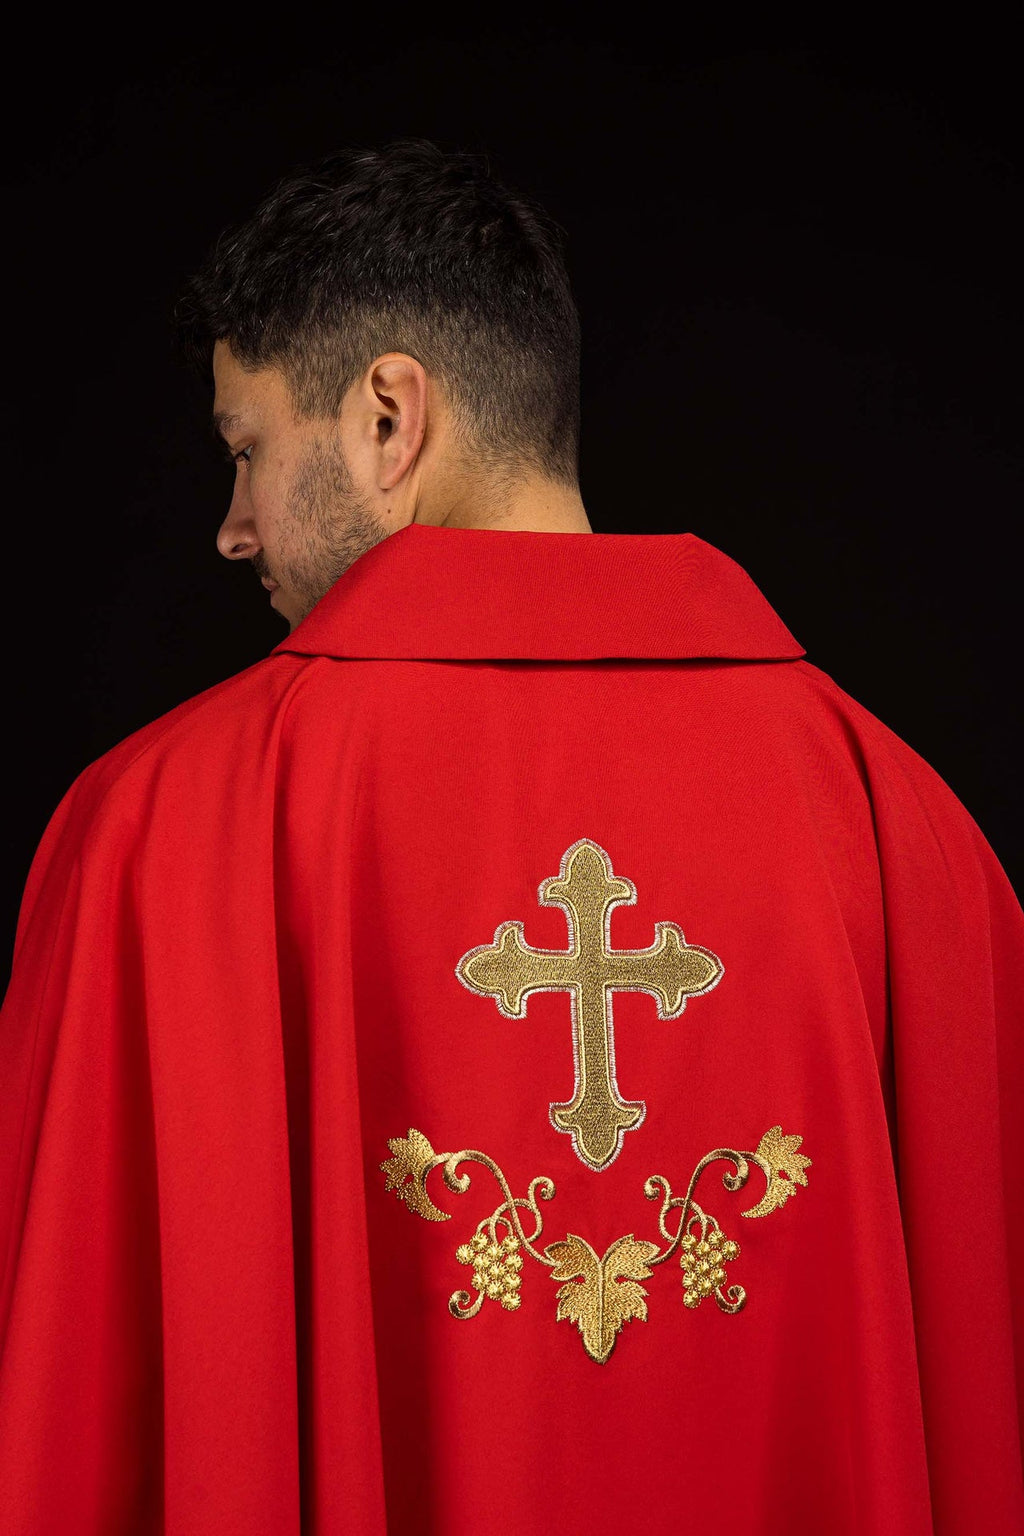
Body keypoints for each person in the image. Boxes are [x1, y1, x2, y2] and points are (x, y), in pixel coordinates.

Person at [0, 139, 1020, 1536]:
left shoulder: (158, 838)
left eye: (247, 452)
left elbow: (81, 1416)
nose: (232, 530)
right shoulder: (909, 835)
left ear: (387, 416)